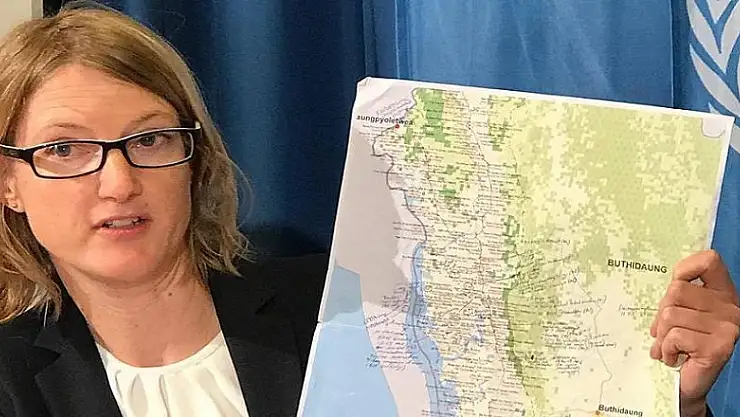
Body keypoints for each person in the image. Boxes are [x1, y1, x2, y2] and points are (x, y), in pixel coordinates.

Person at [0, 4, 736, 417]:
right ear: (9, 183)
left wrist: (671, 401)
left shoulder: (356, 306)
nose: (119, 181)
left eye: (151, 139)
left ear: (195, 156)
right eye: (63, 149)